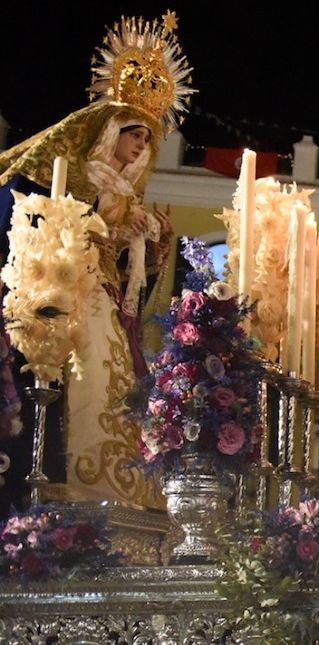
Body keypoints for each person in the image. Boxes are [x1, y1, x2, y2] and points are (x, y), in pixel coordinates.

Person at [0, 14, 184, 512]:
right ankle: (71, 481)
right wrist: (102, 229)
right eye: (134, 135)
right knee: (81, 377)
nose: (141, 146)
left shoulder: (127, 192)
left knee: (113, 382)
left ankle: (117, 487)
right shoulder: (77, 178)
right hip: (71, 292)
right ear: (110, 132)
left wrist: (147, 242)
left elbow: (133, 283)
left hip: (105, 300)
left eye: (147, 140)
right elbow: (44, 231)